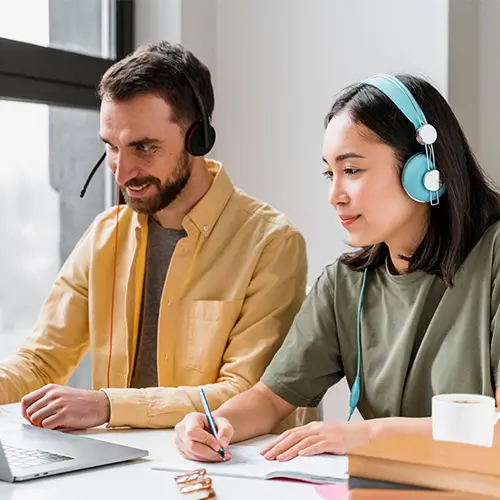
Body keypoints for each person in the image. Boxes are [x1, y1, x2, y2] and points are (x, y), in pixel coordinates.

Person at [174, 73, 500, 463]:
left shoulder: (494, 256)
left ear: (423, 170)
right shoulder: (344, 284)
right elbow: (270, 399)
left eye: (352, 171)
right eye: (330, 173)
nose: (335, 196)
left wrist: (367, 434)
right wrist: (213, 424)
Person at [0, 41, 310, 431]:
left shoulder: (272, 244)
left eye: (142, 147)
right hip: (125, 471)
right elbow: (40, 362)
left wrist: (108, 406)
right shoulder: (104, 237)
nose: (121, 172)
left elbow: (245, 393)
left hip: (220, 477)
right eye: (111, 148)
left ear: (197, 139)